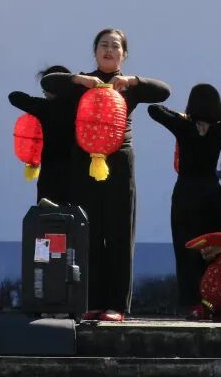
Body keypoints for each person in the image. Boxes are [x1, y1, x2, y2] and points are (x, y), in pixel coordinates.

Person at [40, 28, 171, 321]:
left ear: (124, 54)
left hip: (119, 161)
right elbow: (48, 82)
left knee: (119, 231)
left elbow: (164, 91)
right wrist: (78, 79)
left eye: (115, 46)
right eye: (103, 45)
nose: (109, 50)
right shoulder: (84, 82)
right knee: (89, 230)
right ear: (95, 51)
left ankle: (117, 305)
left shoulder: (128, 85)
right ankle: (92, 301)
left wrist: (134, 81)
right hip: (84, 162)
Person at [147, 85, 221, 319]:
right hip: (210, 191)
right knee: (210, 247)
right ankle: (213, 300)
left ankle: (192, 303)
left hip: (185, 191)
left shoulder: (183, 126)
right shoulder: (220, 128)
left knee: (185, 248)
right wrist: (220, 118)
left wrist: (182, 116)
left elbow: (155, 110)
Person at [8, 65, 74, 205]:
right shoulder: (80, 106)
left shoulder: (45, 107)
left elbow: (14, 96)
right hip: (77, 173)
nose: (43, 91)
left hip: (51, 174)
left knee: (47, 214)